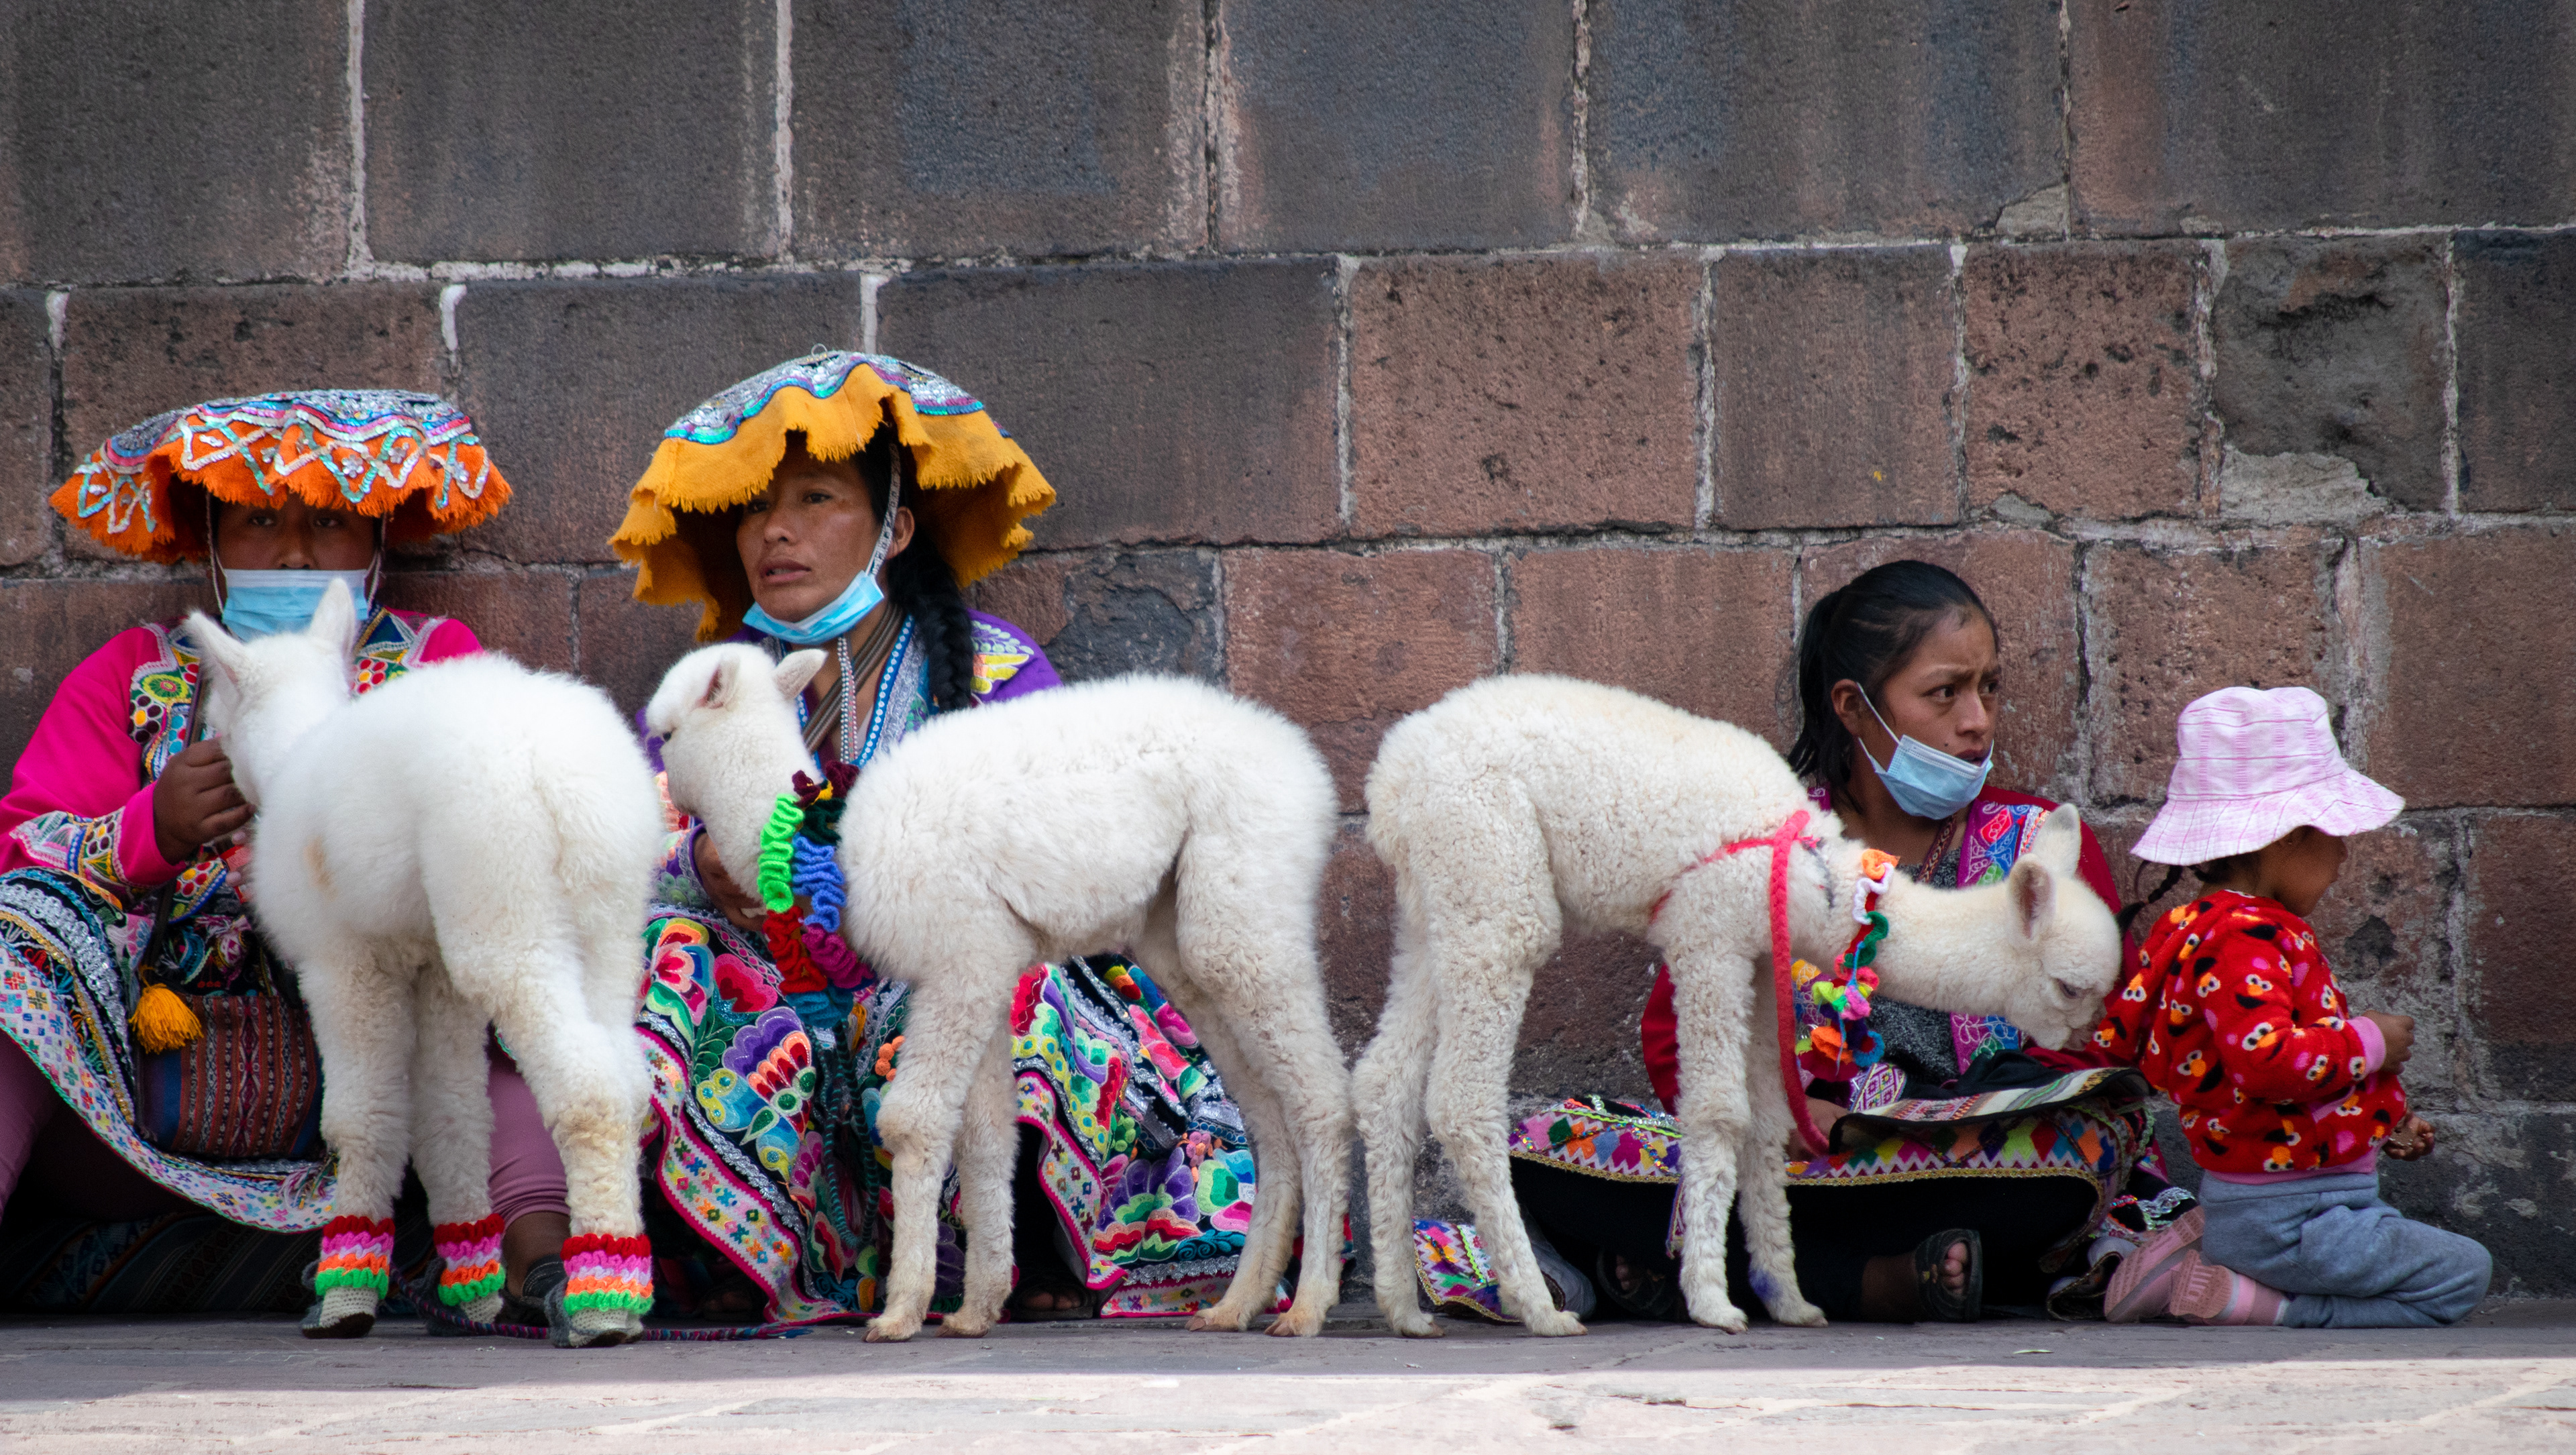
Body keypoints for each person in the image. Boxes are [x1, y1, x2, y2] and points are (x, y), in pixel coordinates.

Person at [601, 352, 1263, 1329]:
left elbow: (1071, 861)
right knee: (653, 959)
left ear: (895, 529)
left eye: (815, 498)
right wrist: (699, 865)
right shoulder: (711, 692)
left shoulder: (998, 671)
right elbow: (621, 856)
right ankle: (723, 1247)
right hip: (795, 1033)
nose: (773, 531)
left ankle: (1035, 1242)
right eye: (753, 509)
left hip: (948, 993)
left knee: (1018, 975)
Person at [1416, 560, 2185, 1327]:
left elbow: (2096, 1046)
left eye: (1990, 687)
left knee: (2076, 1150)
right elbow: (1676, 1036)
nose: (1977, 718)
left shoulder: (2037, 854)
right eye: (1945, 692)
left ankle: (1700, 1270)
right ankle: (1875, 1278)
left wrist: (1938, 1114)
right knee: (1546, 1148)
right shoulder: (1769, 848)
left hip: (1966, 1159)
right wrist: (1788, 1104)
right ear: (1854, 708)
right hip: (1801, 1157)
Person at [0, 392, 574, 1322]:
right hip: (150, 1102)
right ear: (213, 539)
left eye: (335, 522)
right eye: (263, 521)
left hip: (385, 1081)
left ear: (381, 540)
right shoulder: (133, 678)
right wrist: (151, 829)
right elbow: (19, 856)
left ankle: (537, 1255)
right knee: (13, 947)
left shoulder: (434, 662)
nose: (300, 554)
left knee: (506, 955)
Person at [2093, 686, 2489, 1327]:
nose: (2342, 854)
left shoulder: (2204, 927)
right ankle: (2260, 1302)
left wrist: (2385, 1117)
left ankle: (2208, 1249)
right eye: (2334, 835)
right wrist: (2372, 1042)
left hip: (2287, 1203)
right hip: (2294, 1218)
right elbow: (2267, 1064)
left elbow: (2284, 1081)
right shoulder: (2243, 938)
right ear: (2289, 836)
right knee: (2462, 1273)